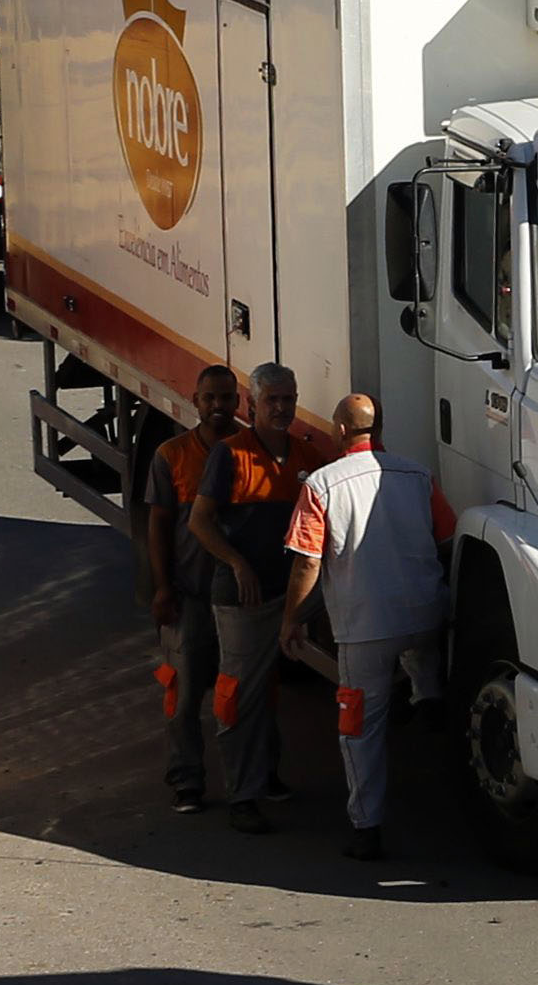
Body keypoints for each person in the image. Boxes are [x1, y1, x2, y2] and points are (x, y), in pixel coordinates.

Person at [283, 392, 454, 864]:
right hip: (423, 615)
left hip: (365, 630)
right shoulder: (418, 475)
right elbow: (445, 538)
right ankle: (427, 695)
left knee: (359, 730)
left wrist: (291, 620)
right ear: (379, 429)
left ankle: (366, 827)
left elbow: (307, 565)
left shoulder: (322, 485)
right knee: (422, 654)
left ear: (339, 430)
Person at [190, 360, 320, 829]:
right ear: (253, 405)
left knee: (266, 690)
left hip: (288, 597)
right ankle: (242, 795)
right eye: (273, 401)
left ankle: (266, 776)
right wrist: (237, 562)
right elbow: (199, 522)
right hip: (243, 598)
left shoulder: (308, 457)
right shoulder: (230, 454)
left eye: (289, 399)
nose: (282, 408)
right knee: (239, 693)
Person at [136, 364, 242, 815]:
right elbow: (157, 525)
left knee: (244, 695)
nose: (218, 406)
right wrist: (161, 588)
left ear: (239, 403)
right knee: (183, 695)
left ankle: (256, 778)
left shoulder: (250, 452)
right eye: (209, 398)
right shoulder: (172, 455)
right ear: (195, 402)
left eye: (226, 398)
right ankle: (186, 781)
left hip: (240, 599)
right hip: (190, 595)